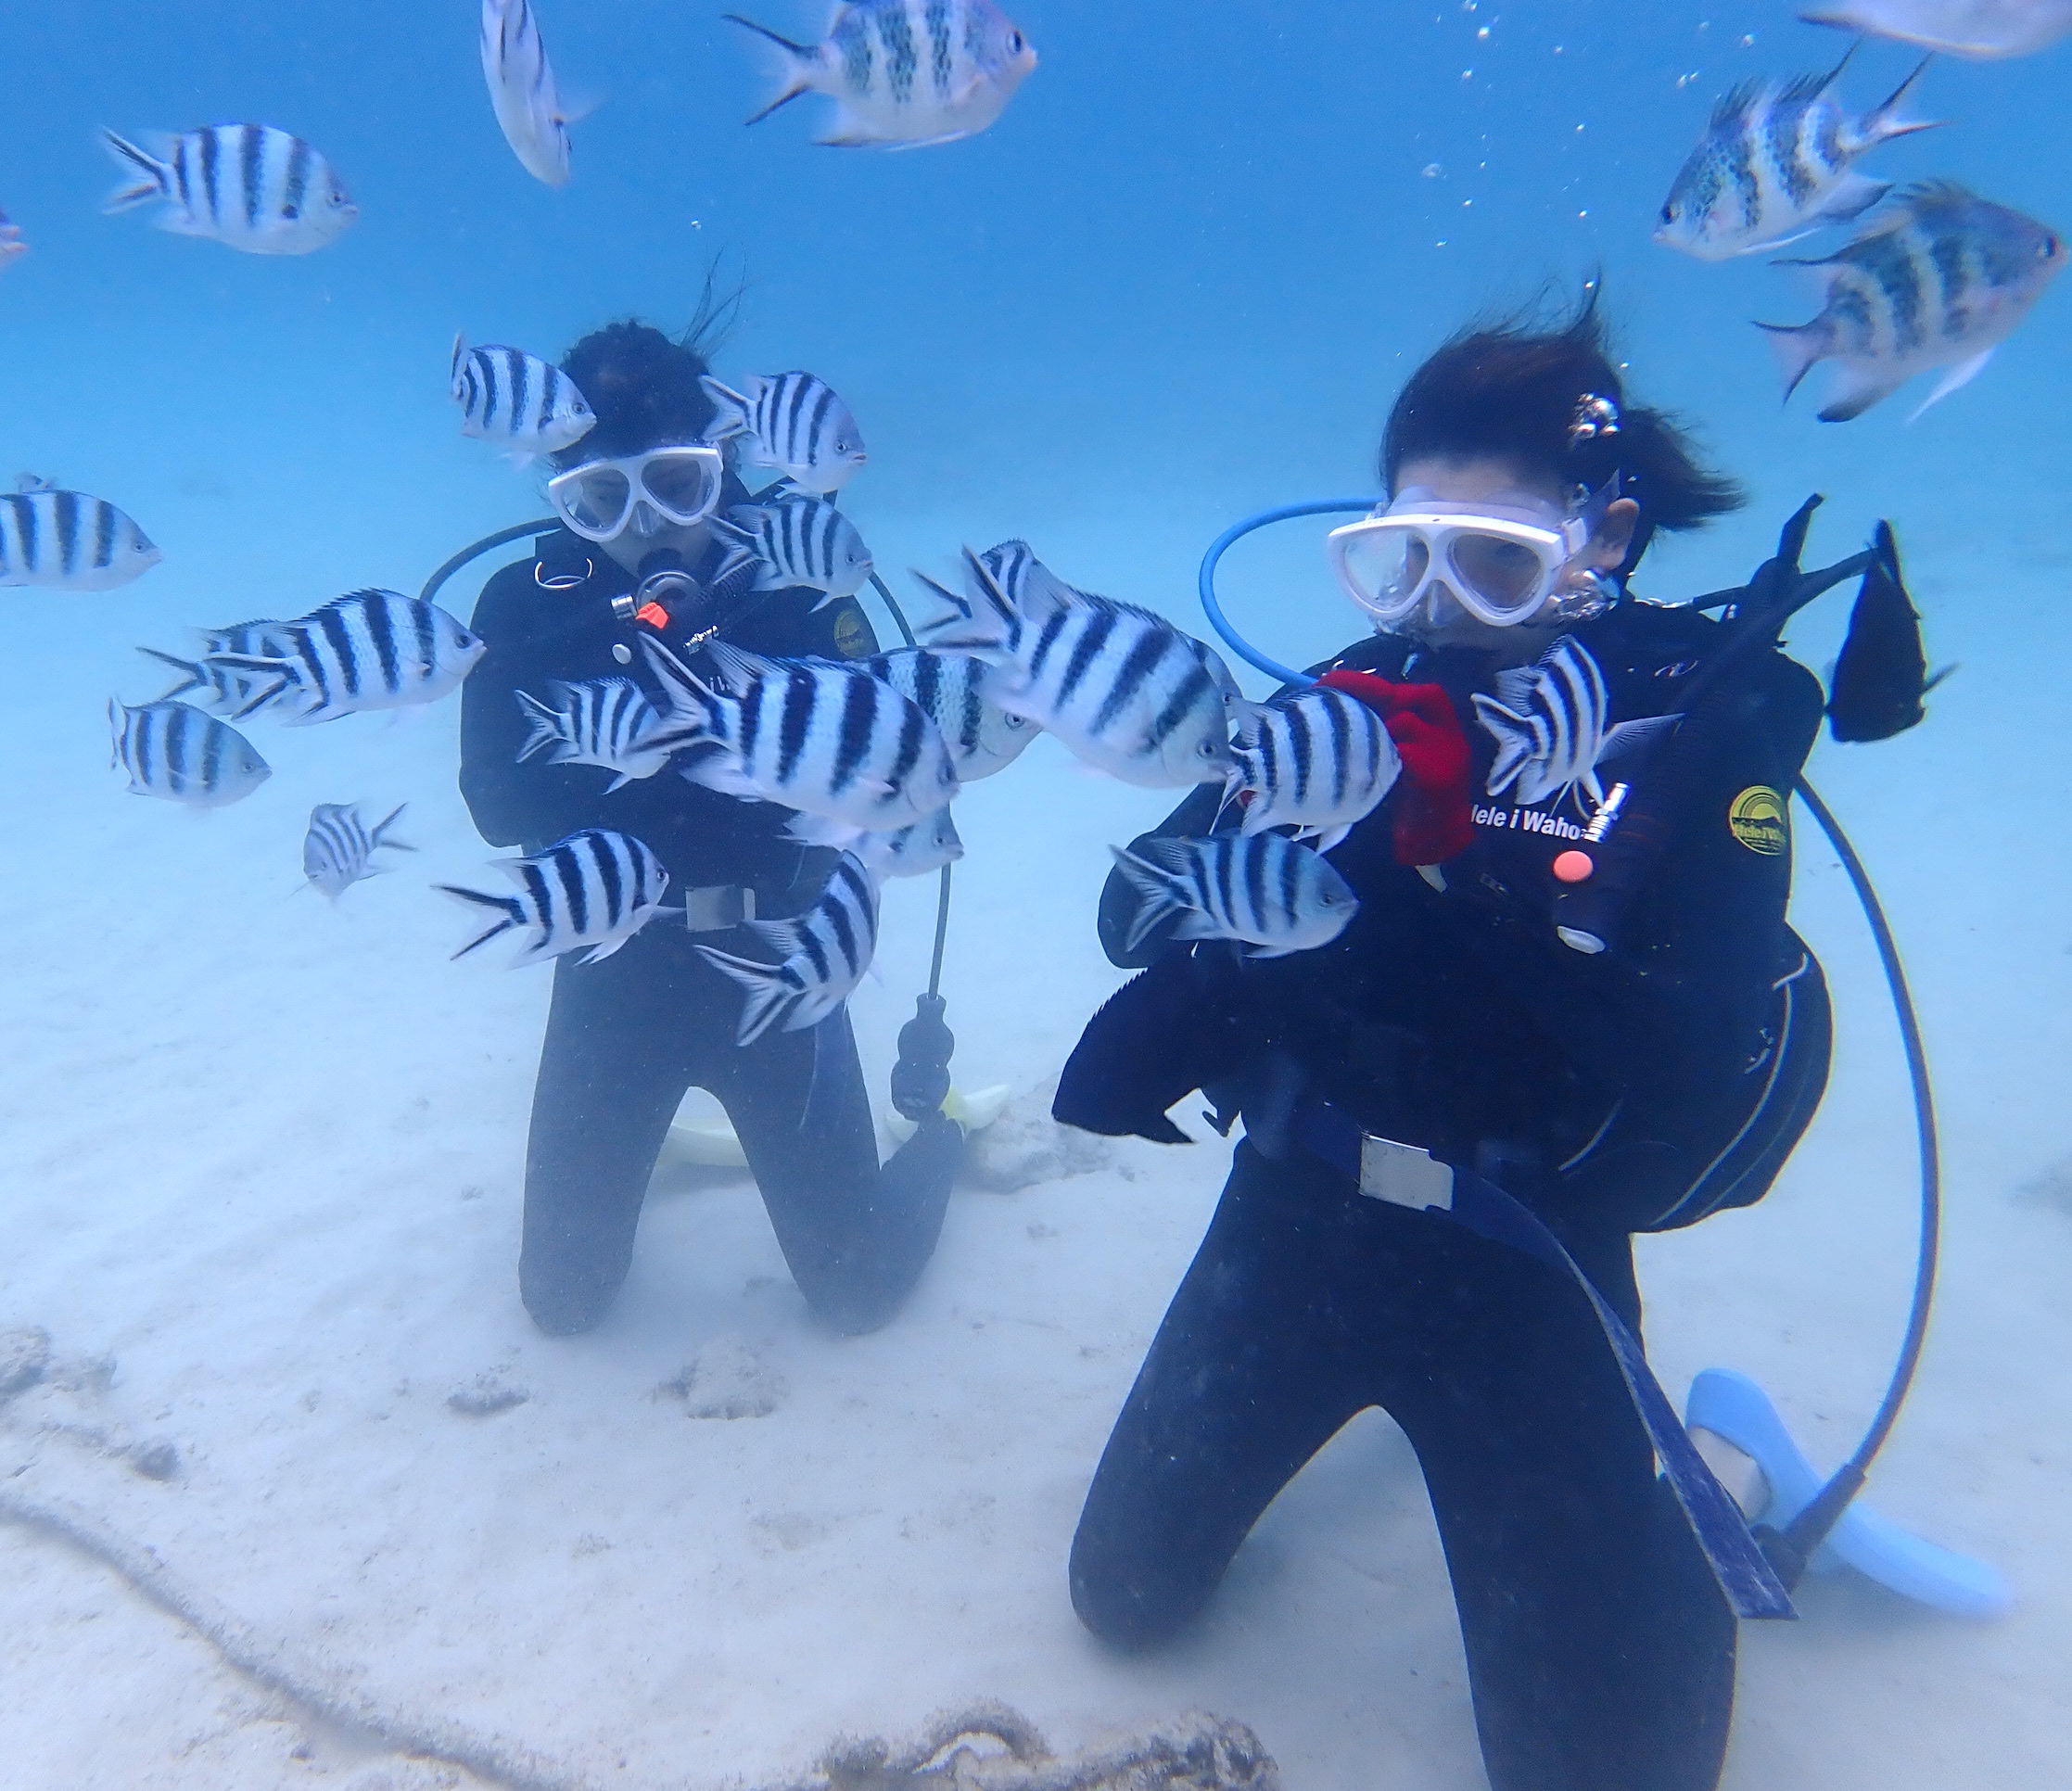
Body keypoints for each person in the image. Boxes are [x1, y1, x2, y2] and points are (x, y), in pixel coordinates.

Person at [1053, 298, 1849, 1791]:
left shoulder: (1686, 745)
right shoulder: (1346, 709)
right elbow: (1129, 914)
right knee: (1120, 1602)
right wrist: (1218, 847)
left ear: (1600, 539)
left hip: (1526, 1264)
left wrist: (1456, 871)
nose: (1433, 611)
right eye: (1401, 559)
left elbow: (1692, 1062)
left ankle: (1703, 1483)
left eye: (1489, 563)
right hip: (1295, 1217)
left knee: (1603, 1774)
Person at [458, 317, 960, 1339]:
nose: (646, 525)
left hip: (781, 958)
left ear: (725, 468)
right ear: (562, 498)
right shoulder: (523, 607)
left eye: (678, 486)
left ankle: (941, 1140)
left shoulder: (806, 588)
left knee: (856, 1295)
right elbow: (495, 811)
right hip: (613, 970)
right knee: (562, 1303)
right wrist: (608, 698)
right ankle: (662, 1140)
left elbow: (882, 789)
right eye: (602, 501)